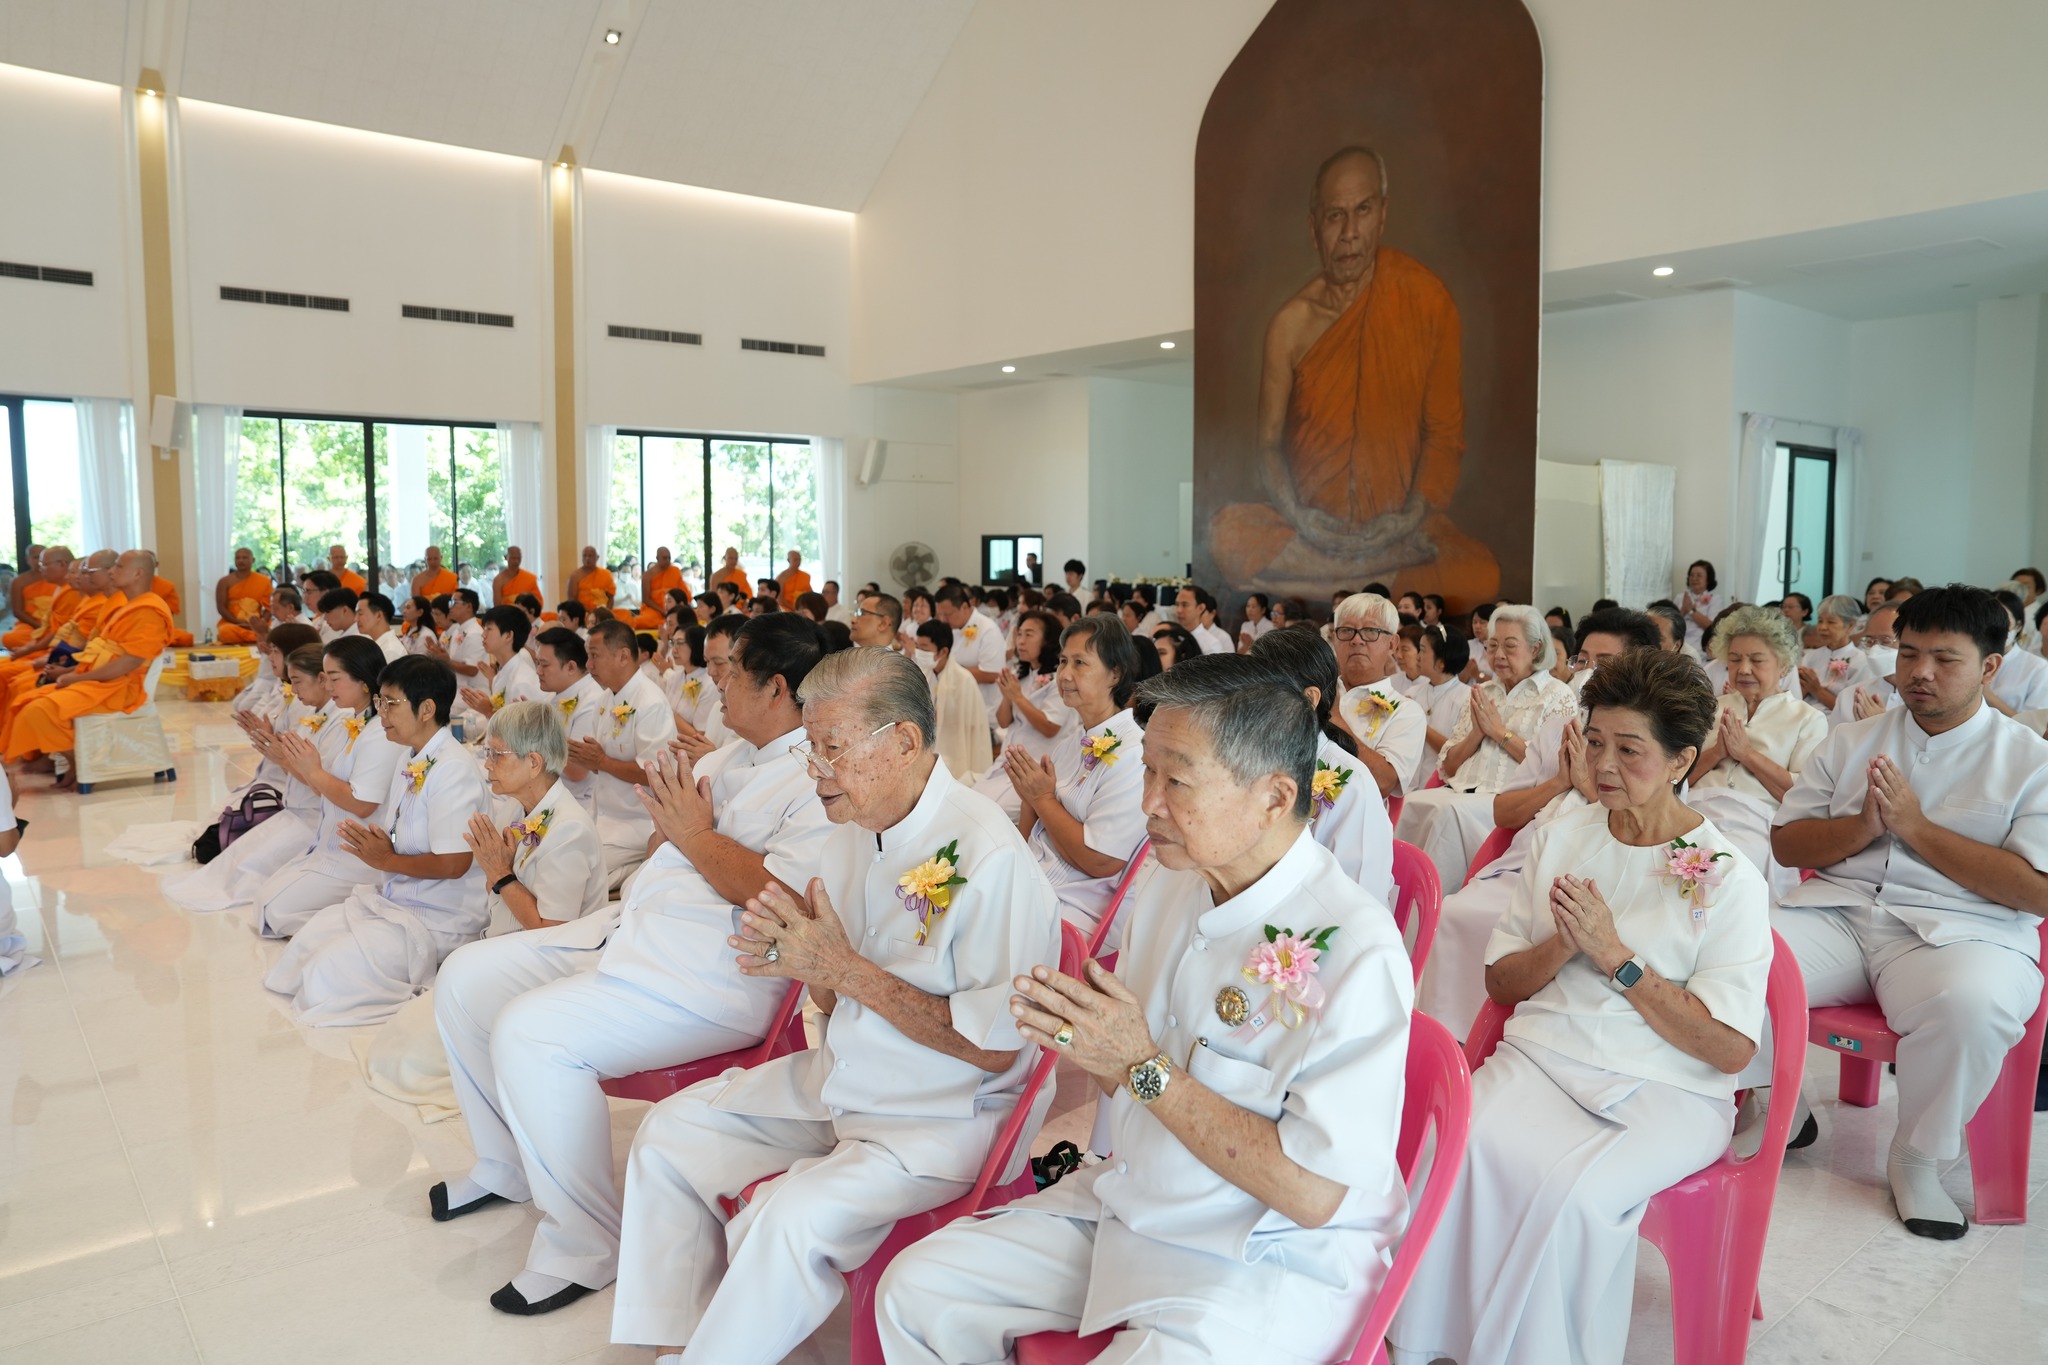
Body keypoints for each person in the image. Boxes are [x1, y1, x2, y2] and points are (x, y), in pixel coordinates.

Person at [879, 655, 1413, 1365]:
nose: (1148, 802)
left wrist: (1139, 1064)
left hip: (1263, 1255)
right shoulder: (1170, 884)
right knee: (916, 1289)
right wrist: (1090, 1040)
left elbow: (1314, 1193)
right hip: (1132, 1200)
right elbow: (1124, 1082)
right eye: (1147, 771)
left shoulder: (1355, 950)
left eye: (1176, 779)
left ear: (1274, 797)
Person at [607, 645, 1059, 1359]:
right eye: (810, 747)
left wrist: (843, 969)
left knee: (785, 1217)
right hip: (847, 1075)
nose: (813, 769)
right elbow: (833, 988)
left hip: (944, 1113)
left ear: (904, 742)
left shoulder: (988, 856)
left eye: (830, 748)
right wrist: (802, 958)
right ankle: (680, 1339)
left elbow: (997, 1045)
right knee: (669, 1132)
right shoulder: (851, 836)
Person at [1392, 648, 1768, 1365]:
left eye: (1630, 750)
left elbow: (1728, 1049)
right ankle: (1431, 1341)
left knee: (1574, 1198)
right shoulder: (1566, 833)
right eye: (1594, 742)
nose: (1602, 765)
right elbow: (1502, 980)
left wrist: (1617, 958)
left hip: (1669, 1085)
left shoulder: (1725, 875)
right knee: (1455, 1145)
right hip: (1547, 1055)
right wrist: (1564, 946)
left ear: (1683, 757)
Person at [1741, 585, 2048, 1239]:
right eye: (1908, 654)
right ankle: (1778, 1100)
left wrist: (1915, 828)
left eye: (1945, 658)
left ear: (1991, 667)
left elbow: (2035, 890)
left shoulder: (2030, 761)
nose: (1920, 673)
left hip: (1964, 931)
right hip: (1841, 912)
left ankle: (1917, 1154)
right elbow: (1787, 841)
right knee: (1735, 947)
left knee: (1972, 1004)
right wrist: (1861, 827)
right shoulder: (1851, 740)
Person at [1209, 145, 1498, 604]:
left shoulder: (1427, 301)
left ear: (1382, 215)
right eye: (1334, 216)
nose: (1349, 233)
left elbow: (1443, 433)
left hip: (1394, 529)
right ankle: (1367, 587)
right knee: (1225, 534)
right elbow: (1267, 445)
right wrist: (1300, 517)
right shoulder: (1290, 324)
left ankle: (1320, 589)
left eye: (1362, 211)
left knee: (1479, 571)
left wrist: (1409, 518)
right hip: (1309, 529)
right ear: (1313, 227)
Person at [354, 701, 608, 1122]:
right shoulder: (518, 808)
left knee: (419, 1054)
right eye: (486, 753)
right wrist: (499, 877)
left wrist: (501, 875)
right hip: (513, 949)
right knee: (403, 1036)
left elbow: (553, 932)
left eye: (496, 754)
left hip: (554, 965)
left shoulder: (569, 830)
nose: (486, 764)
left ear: (533, 762)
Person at [1414, 608, 1659, 1033]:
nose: (1589, 672)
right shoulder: (1559, 729)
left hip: (1598, 877)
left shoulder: (1654, 742)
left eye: (1606, 664)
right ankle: (1448, 1037)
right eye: (1583, 660)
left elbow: (1648, 826)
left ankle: (1518, 1032)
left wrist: (1586, 787)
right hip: (1528, 861)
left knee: (1547, 935)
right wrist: (1560, 781)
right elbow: (1504, 812)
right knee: (1455, 912)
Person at [263, 655, 492, 1026]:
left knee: (324, 976)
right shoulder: (410, 755)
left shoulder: (451, 770)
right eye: (379, 703)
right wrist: (379, 844)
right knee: (298, 956)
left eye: (390, 704)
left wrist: (386, 860)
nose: (381, 713)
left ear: (426, 709)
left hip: (439, 916)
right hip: (396, 898)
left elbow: (455, 864)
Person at [1398, 603, 1578, 893]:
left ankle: (1433, 904)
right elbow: (1448, 766)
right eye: (1492, 646)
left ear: (1536, 648)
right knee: (1412, 803)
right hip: (1459, 790)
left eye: (1510, 645)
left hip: (1506, 803)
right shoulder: (1483, 693)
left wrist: (1499, 732)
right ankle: (1398, 899)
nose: (1498, 655)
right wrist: (1477, 735)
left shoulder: (1556, 695)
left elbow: (1553, 768)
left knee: (1450, 814)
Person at [161, 633, 335, 913]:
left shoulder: (333, 719)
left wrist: (282, 757)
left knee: (253, 878)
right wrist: (269, 741)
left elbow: (321, 780)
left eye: (298, 680)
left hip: (311, 816)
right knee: (229, 858)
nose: (292, 686)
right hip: (292, 803)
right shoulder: (315, 710)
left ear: (322, 679)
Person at [243, 637, 407, 935]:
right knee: (264, 901)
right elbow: (326, 784)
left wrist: (312, 771)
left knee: (275, 912)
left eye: (334, 678)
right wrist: (296, 763)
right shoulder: (354, 722)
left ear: (363, 681)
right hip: (329, 842)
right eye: (326, 678)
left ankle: (364, 920)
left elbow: (363, 803)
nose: (328, 687)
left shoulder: (379, 733)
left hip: (356, 856)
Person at [1007, 615, 1148, 950]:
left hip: (1074, 905)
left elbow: (1101, 861)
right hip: (1036, 880)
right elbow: (1033, 833)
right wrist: (1030, 797)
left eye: (1080, 663)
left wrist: (1041, 797)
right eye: (1062, 661)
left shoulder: (1132, 753)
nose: (1065, 674)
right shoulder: (1072, 744)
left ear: (1115, 673)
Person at [1687, 604, 1829, 901]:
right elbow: (1677, 777)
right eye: (1735, 659)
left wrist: (1746, 754)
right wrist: (1716, 753)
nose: (1744, 669)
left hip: (1755, 820)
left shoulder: (1807, 718)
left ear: (1783, 666)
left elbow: (1803, 795)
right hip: (1695, 812)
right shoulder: (1713, 708)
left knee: (1720, 871)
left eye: (1756, 660)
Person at [3, 550, 172, 786]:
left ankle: (75, 763)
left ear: (138, 574)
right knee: (28, 702)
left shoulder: (147, 611)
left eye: (119, 567)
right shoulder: (131, 605)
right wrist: (72, 674)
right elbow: (101, 651)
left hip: (121, 687)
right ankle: (76, 760)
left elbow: (129, 662)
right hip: (102, 680)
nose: (113, 571)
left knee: (37, 709)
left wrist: (77, 679)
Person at [1252, 627, 1396, 902]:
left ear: (1309, 698)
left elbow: (1359, 895)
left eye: (1261, 690)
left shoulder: (1352, 784)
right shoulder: (1252, 760)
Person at [571, 619, 678, 887]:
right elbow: (599, 763)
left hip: (636, 822)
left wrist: (601, 761)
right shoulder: (606, 698)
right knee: (555, 856)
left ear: (623, 655)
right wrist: (587, 758)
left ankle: (640, 869)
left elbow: (656, 774)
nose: (589, 665)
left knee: (575, 874)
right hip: (602, 812)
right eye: (588, 656)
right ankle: (633, 871)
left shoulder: (650, 702)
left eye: (594, 656)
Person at [976, 608, 1074, 817]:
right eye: (1019, 634)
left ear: (1048, 640)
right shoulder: (1021, 674)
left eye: (1029, 635)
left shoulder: (1061, 678)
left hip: (1037, 767)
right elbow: (1003, 722)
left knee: (991, 811)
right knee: (972, 801)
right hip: (1008, 761)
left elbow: (1050, 727)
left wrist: (1017, 697)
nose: (1020, 641)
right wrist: (1007, 694)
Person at [1331, 591, 1427, 798]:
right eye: (1347, 631)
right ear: (1334, 638)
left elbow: (1384, 783)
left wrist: (1335, 720)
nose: (1357, 640)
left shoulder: (1406, 711)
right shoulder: (1315, 693)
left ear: (1392, 644)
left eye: (1370, 631)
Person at [915, 619, 993, 780]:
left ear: (943, 652)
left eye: (924, 648)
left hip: (956, 749)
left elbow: (974, 727)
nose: (918, 652)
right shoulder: (924, 673)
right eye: (917, 646)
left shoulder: (963, 679)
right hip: (930, 746)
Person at [458, 605, 541, 731]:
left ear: (508, 636)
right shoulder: (501, 674)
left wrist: (488, 710)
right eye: (483, 628)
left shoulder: (522, 681)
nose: (483, 635)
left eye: (488, 629)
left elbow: (523, 735)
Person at [1408, 624, 1471, 788]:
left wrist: (1420, 724)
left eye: (1422, 650)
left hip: (1441, 789)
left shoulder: (1466, 698)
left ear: (1441, 663)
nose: (1418, 656)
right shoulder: (1412, 693)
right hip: (1407, 785)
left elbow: (1457, 753)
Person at [934, 584, 1005, 720]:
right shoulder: (951, 628)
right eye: (940, 614)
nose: (943, 619)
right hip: (957, 707)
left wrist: (946, 669)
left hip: (982, 710)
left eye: (947, 614)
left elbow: (991, 674)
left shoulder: (988, 629)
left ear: (964, 607)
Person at [1798, 593, 1874, 712]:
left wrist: (1817, 690)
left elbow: (1852, 709)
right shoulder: (1810, 656)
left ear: (1850, 625)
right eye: (1820, 620)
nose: (1823, 627)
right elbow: (1796, 697)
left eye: (1831, 622)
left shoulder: (1860, 661)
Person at [214, 547, 273, 644]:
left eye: (245, 558)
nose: (241, 560)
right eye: (238, 558)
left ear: (253, 560)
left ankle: (258, 635)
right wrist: (238, 622)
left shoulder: (264, 581)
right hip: (233, 623)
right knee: (226, 632)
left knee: (273, 630)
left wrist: (261, 623)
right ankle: (255, 637)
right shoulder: (224, 581)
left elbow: (269, 608)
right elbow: (221, 607)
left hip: (257, 623)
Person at [2, 544, 50, 649]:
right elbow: (18, 612)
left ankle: (41, 647)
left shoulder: (58, 577)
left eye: (43, 557)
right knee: (10, 638)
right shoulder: (18, 581)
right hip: (31, 624)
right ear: (27, 559)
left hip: (55, 623)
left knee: (65, 635)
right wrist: (40, 627)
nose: (39, 561)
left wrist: (51, 627)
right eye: (35, 557)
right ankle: (45, 646)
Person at [627, 547, 686, 628]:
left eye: (669, 558)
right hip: (655, 610)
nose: (668, 560)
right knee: (643, 621)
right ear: (657, 558)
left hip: (674, 607)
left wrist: (675, 608)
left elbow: (684, 593)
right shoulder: (648, 575)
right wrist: (662, 611)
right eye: (665, 558)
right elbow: (646, 599)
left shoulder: (675, 571)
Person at [1174, 585, 1232, 655]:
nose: (1179, 610)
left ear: (1201, 608)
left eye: (1185, 605)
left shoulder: (1211, 644)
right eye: (1177, 605)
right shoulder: (1172, 637)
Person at [352, 591, 405, 664]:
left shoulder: (391, 651)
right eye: (356, 614)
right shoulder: (375, 645)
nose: (355, 619)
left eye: (360, 614)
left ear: (379, 615)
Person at [1678, 559, 1719, 651]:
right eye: (1691, 575)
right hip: (1680, 639)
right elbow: (1671, 624)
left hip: (1700, 643)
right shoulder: (1680, 597)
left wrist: (1691, 610)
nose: (1694, 578)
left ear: (1708, 579)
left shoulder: (1715, 599)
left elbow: (1711, 627)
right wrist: (1683, 610)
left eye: (1699, 575)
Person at [563, 545, 615, 612]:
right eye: (585, 556)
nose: (587, 558)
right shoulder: (575, 576)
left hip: (603, 612)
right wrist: (586, 612)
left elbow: (611, 597)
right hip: (582, 613)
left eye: (590, 556)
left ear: (597, 557)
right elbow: (572, 600)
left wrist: (606, 612)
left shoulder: (606, 574)